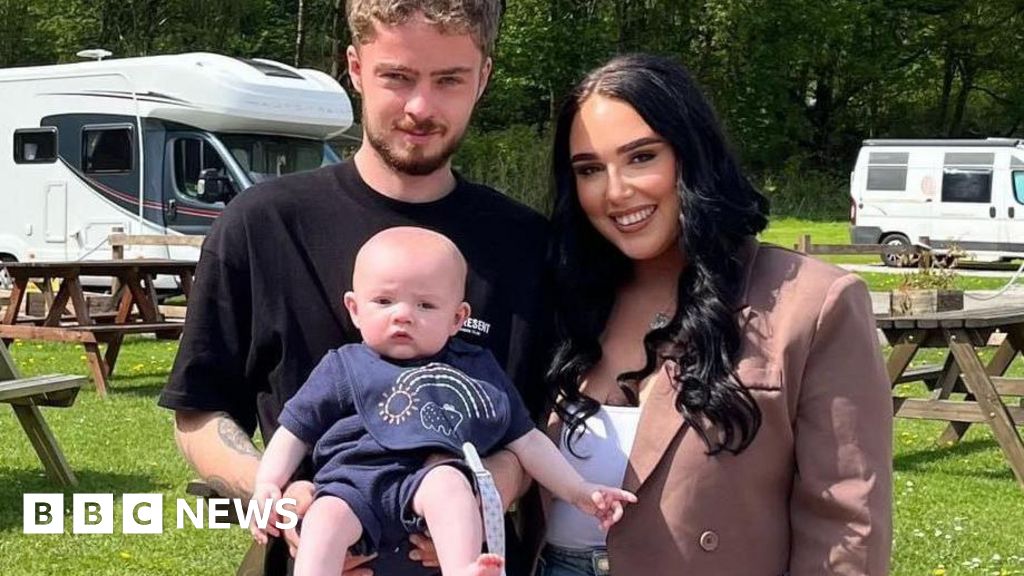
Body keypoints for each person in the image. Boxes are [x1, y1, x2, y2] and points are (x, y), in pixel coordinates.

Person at [158, 1, 549, 574]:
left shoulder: (525, 244)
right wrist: (286, 501)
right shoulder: (263, 224)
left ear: (483, 78)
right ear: (356, 67)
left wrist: (481, 503)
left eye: (449, 80)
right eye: (397, 76)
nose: (421, 106)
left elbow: (534, 426)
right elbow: (198, 413)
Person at [526, 53, 893, 575]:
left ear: (692, 155)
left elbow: (847, 525)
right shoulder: (563, 297)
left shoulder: (811, 303)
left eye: (641, 157)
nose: (615, 191)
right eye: (589, 169)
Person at [250, 227, 634, 576]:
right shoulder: (343, 366)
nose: (403, 315)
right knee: (323, 519)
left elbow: (528, 440)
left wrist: (578, 490)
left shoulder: (476, 369)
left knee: (451, 485)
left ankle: (464, 569)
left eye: (425, 306)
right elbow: (295, 431)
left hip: (426, 478)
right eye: (384, 301)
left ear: (457, 317)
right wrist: (268, 482)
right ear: (354, 309)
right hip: (350, 485)